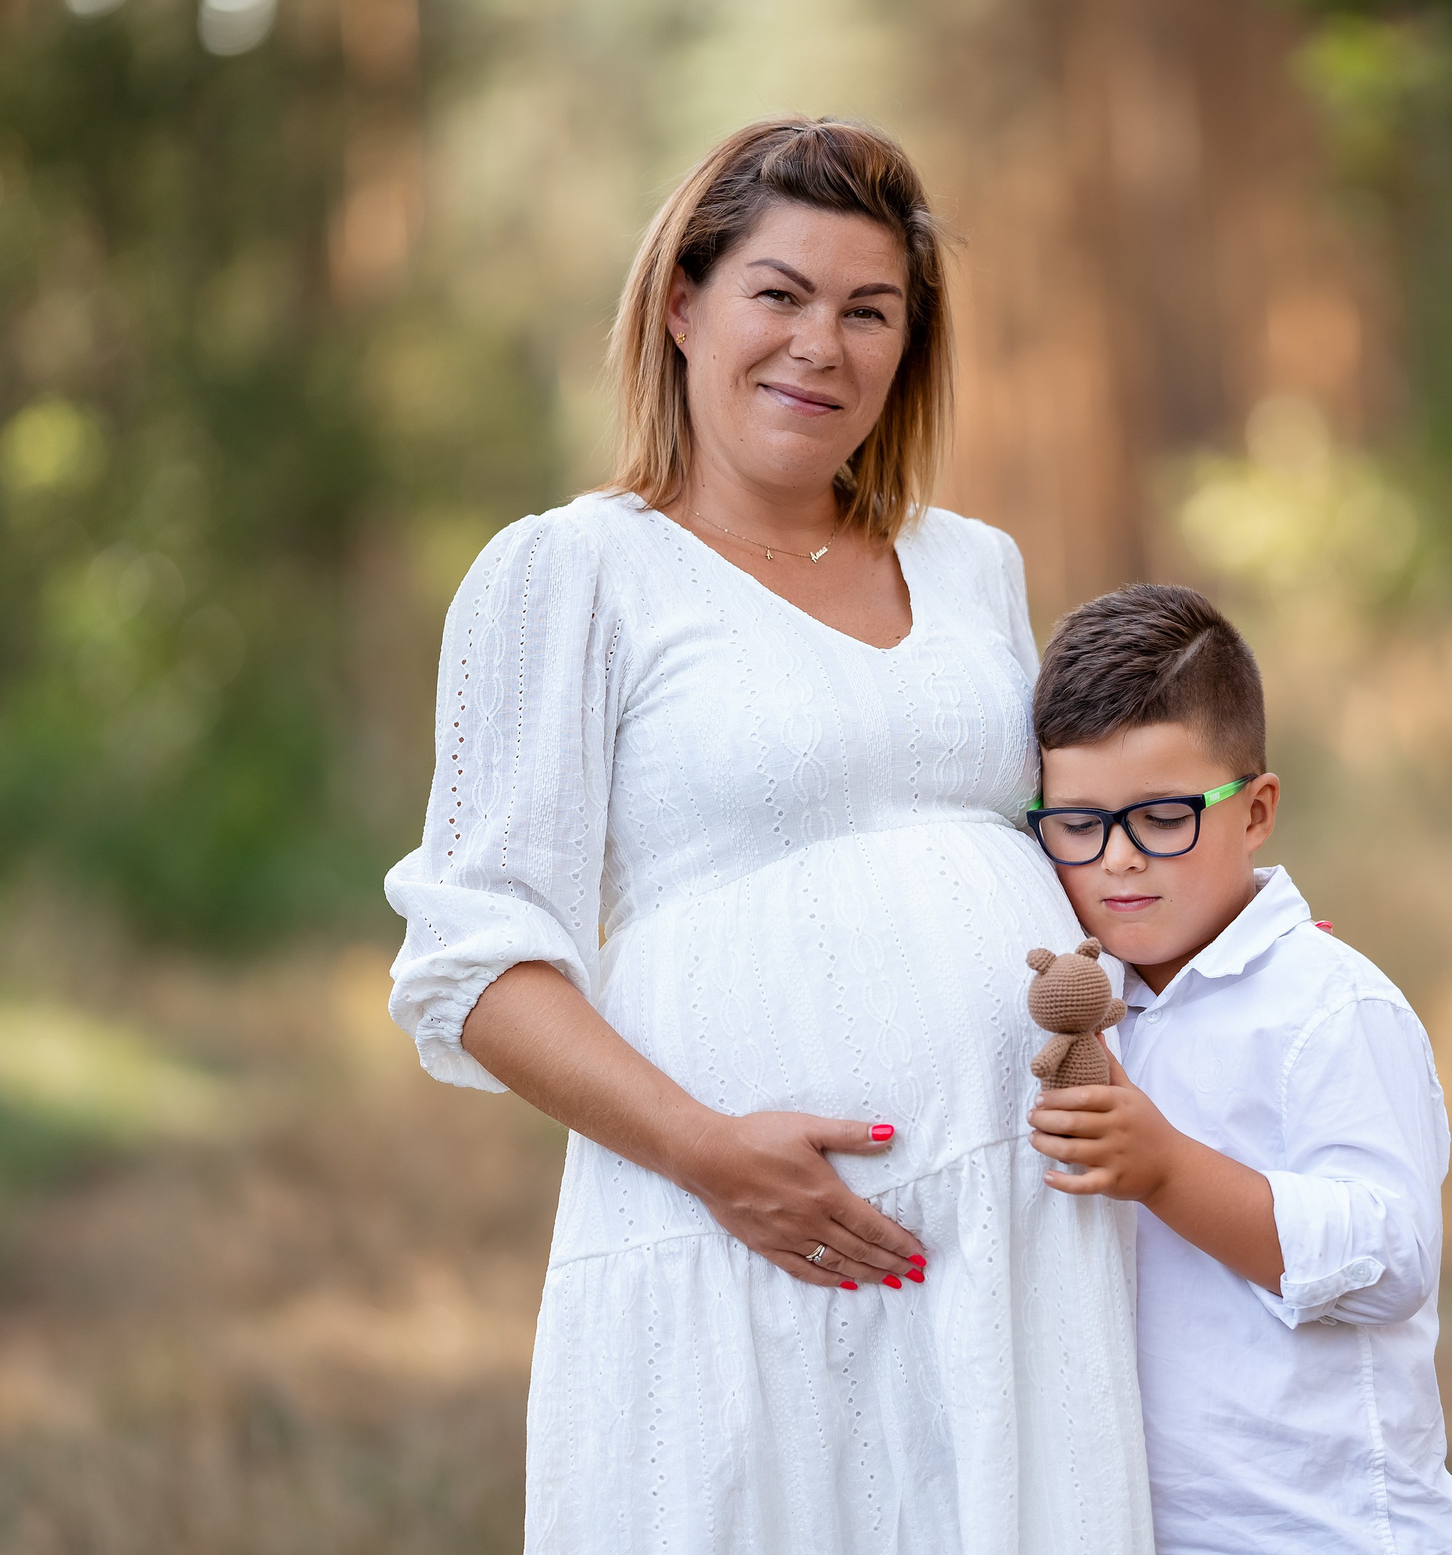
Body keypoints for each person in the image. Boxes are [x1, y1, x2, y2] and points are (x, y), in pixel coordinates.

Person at [383, 118, 1152, 1554]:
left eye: (871, 311)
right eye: (780, 294)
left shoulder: (974, 564)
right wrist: (708, 1149)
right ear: (684, 303)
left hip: (1021, 1230)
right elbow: (472, 962)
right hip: (732, 1230)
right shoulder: (573, 571)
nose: (823, 344)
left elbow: (1079, 855)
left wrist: (1243, 941)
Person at [1022, 584, 1452, 1555]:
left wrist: (1169, 1173)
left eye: (1161, 818)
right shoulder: (1095, 1005)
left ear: (1256, 809)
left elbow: (1390, 1257)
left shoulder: (1328, 1008)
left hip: (1325, 1528)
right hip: (1155, 1527)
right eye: (1076, 825)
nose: (1118, 863)